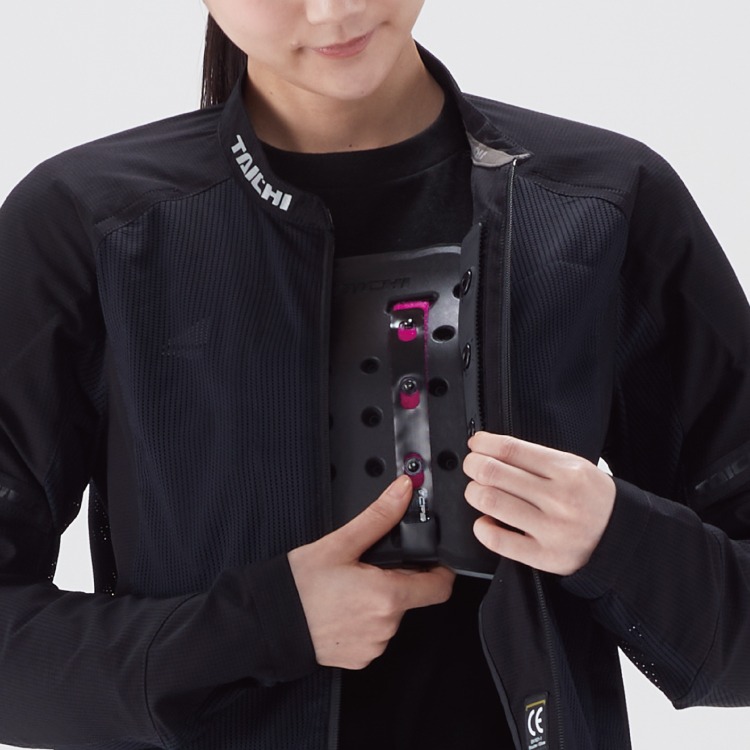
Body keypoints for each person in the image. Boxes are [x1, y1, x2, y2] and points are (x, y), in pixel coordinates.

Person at [0, 2, 749, 749]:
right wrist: (259, 628)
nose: (334, 8)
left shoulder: (603, 204)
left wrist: (616, 539)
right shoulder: (92, 226)